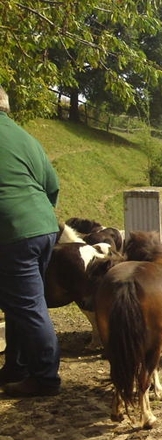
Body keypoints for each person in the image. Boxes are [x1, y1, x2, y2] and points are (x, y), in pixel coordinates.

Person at [0, 85, 61, 397]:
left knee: (29, 305)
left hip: (13, 231)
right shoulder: (25, 137)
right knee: (18, 303)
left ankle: (46, 378)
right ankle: (16, 366)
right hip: (44, 227)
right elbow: (52, 186)